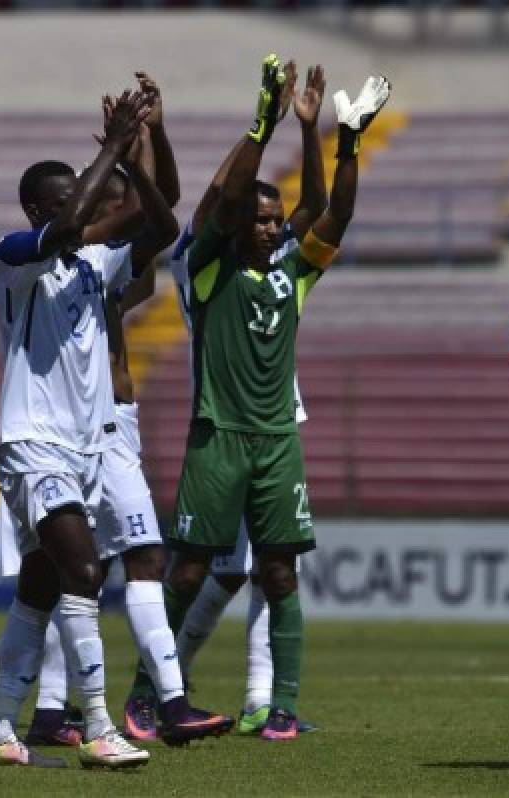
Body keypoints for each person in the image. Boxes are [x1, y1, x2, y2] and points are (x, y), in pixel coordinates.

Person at [163, 57, 388, 741]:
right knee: (202, 570)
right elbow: (224, 204)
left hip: (275, 437)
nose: (272, 227)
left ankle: (272, 702)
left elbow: (327, 214)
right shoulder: (202, 267)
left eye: (274, 221)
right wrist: (263, 123)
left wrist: (332, 136)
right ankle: (157, 688)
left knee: (272, 573)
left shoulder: (290, 275)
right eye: (259, 219)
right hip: (218, 434)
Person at [0, 88, 175, 770]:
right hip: (34, 441)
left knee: (39, 584)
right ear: (38, 209)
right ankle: (94, 727)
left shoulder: (97, 264)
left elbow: (161, 225)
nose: (83, 208)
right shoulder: (13, 258)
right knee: (84, 570)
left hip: (89, 443)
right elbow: (68, 229)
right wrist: (115, 148)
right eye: (67, 199)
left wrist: (139, 151)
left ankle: (1, 728)